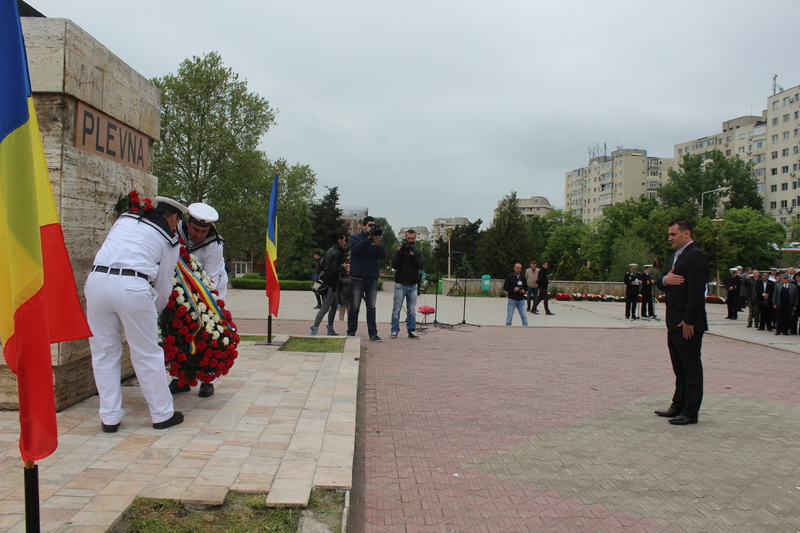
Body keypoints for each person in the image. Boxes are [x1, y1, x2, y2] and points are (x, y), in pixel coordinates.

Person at [85, 196, 187, 433]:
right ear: (173, 217)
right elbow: (163, 284)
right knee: (147, 353)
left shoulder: (125, 219)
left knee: (104, 352)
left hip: (97, 282)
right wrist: (157, 311)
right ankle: (162, 414)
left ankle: (109, 418)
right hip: (133, 286)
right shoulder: (170, 239)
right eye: (177, 222)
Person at [654, 219, 708, 425]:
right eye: (669, 234)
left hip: (687, 324)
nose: (669, 238)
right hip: (674, 321)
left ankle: (690, 412)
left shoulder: (695, 255)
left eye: (673, 234)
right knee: (679, 367)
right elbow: (661, 282)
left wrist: (689, 320)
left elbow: (696, 292)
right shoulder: (675, 256)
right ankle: (678, 405)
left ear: (687, 234)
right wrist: (665, 280)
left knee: (690, 368)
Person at [171, 202, 228, 398]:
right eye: (195, 229)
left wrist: (199, 303)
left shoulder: (215, 243)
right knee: (177, 330)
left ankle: (207, 379)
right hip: (179, 288)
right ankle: (179, 378)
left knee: (208, 332)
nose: (198, 235)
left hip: (208, 291)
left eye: (203, 231)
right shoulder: (175, 232)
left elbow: (210, 278)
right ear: (187, 223)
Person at [347, 217, 386, 341]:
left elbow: (382, 256)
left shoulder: (375, 239)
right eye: (370, 225)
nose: (372, 227)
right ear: (363, 226)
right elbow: (356, 250)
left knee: (371, 307)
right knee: (354, 307)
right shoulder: (355, 238)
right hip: (357, 278)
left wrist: (378, 244)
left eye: (374, 225)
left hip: (372, 278)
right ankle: (351, 332)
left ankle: (373, 334)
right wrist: (367, 238)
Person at [311, 232, 347, 336]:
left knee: (334, 305)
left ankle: (330, 328)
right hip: (330, 284)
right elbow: (334, 269)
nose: (345, 242)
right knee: (325, 307)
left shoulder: (329, 250)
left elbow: (324, 266)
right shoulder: (336, 253)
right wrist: (343, 267)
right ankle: (314, 327)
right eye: (344, 240)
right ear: (339, 240)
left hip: (328, 282)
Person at [390, 229, 424, 339]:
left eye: (412, 238)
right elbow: (394, 265)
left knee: (411, 310)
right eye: (408, 238)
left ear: (415, 239)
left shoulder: (417, 252)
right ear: (405, 238)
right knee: (396, 309)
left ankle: (411, 330)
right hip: (400, 283)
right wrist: (399, 253)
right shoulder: (399, 251)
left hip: (413, 284)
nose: (410, 240)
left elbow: (420, 265)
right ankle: (394, 330)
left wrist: (412, 255)